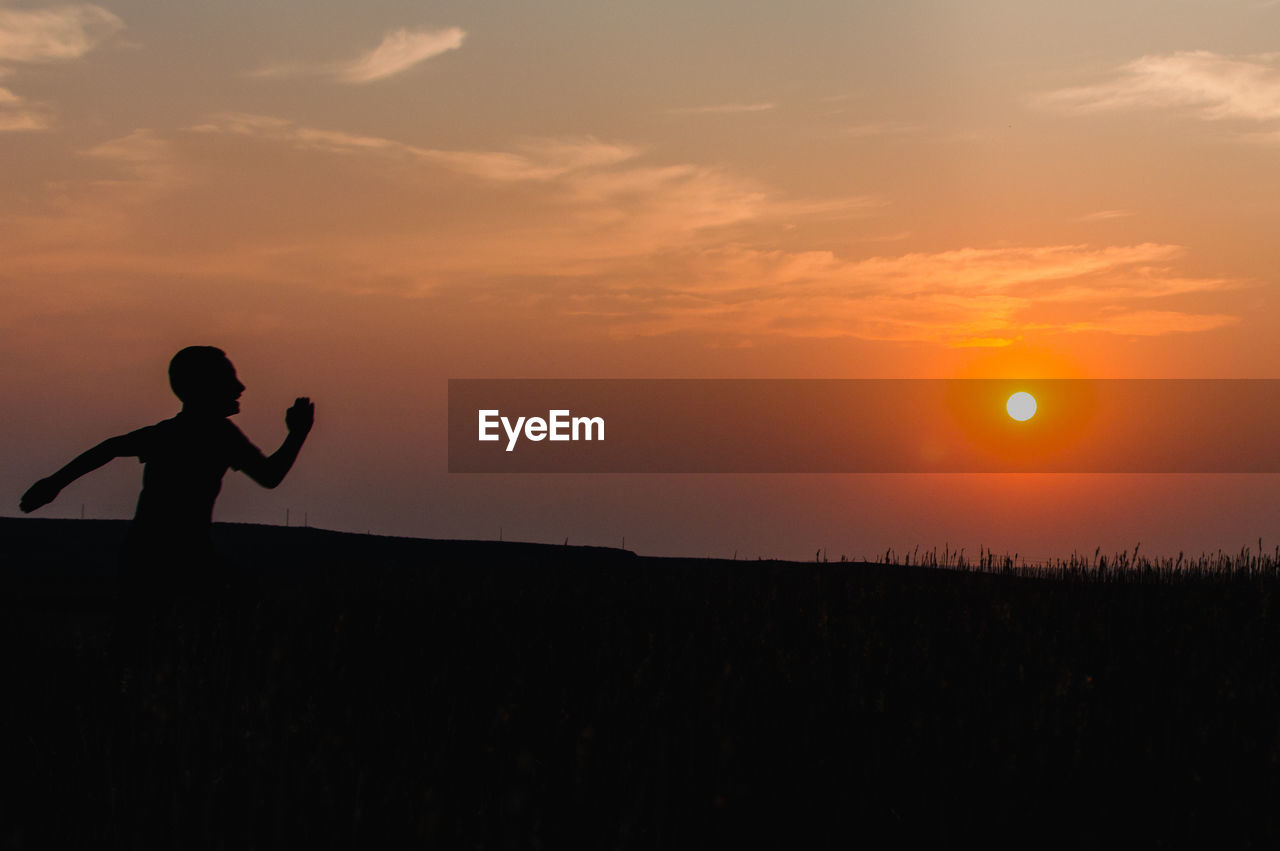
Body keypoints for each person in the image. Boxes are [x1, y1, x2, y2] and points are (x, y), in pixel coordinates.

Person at [19, 346, 314, 644]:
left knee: (141, 636)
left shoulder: (174, 433)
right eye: (228, 379)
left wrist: (54, 483)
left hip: (153, 552)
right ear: (203, 387)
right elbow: (269, 476)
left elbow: (109, 448)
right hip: (176, 554)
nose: (240, 387)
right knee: (228, 609)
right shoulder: (218, 435)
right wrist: (298, 434)